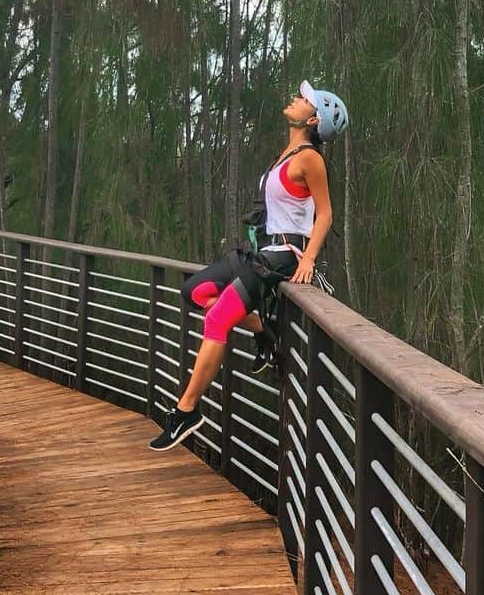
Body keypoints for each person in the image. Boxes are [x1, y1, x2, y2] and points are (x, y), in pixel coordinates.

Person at [148, 79, 348, 452]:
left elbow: (325, 214)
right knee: (193, 292)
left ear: (313, 119)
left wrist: (308, 258)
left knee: (216, 319)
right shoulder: (287, 154)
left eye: (304, 100)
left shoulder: (310, 158)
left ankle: (186, 411)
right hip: (261, 252)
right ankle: (263, 330)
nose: (294, 99)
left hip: (283, 257)